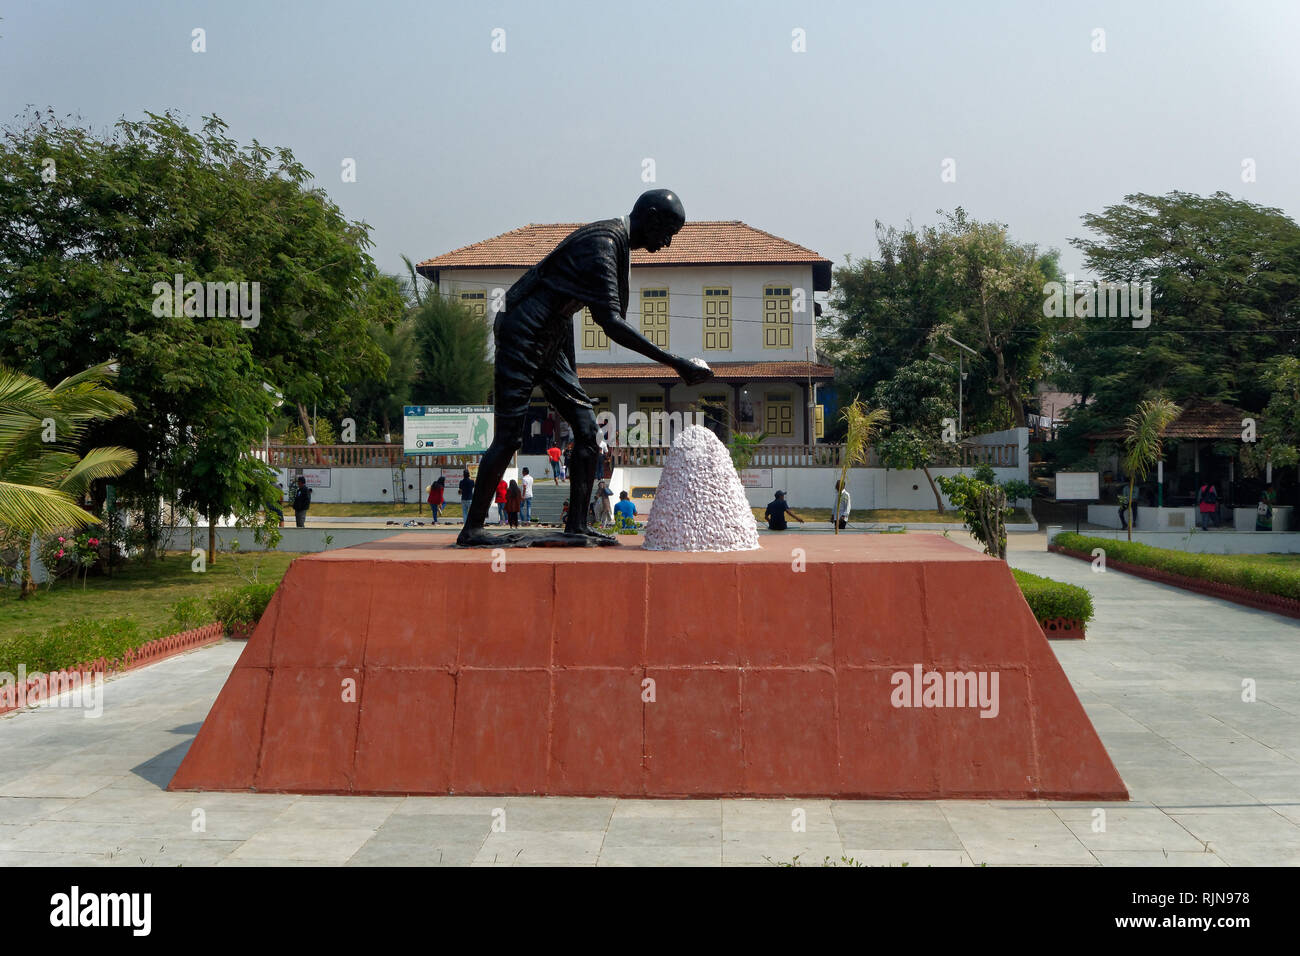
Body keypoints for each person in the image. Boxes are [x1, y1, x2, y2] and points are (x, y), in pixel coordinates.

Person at [457, 189, 712, 546]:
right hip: (523, 331)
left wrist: (569, 373)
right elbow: (610, 323)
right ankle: (472, 529)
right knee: (509, 437)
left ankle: (576, 526)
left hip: (552, 336)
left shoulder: (616, 245)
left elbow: (570, 310)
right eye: (667, 232)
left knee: (588, 432)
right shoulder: (604, 244)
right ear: (650, 216)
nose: (667, 243)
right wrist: (675, 363)